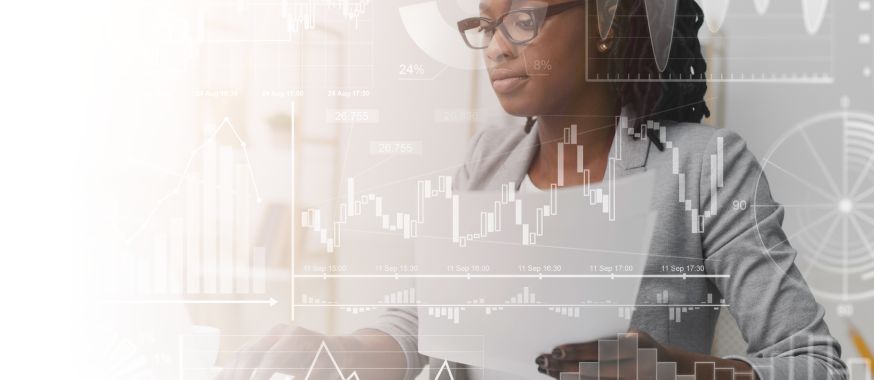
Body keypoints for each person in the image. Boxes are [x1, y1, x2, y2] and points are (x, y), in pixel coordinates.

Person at [216, 1, 847, 379]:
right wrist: (340, 350)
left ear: (604, 20)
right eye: (484, 25)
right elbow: (427, 315)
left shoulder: (704, 166)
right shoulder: (489, 157)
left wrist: (680, 372)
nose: (495, 48)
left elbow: (814, 361)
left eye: (520, 20)